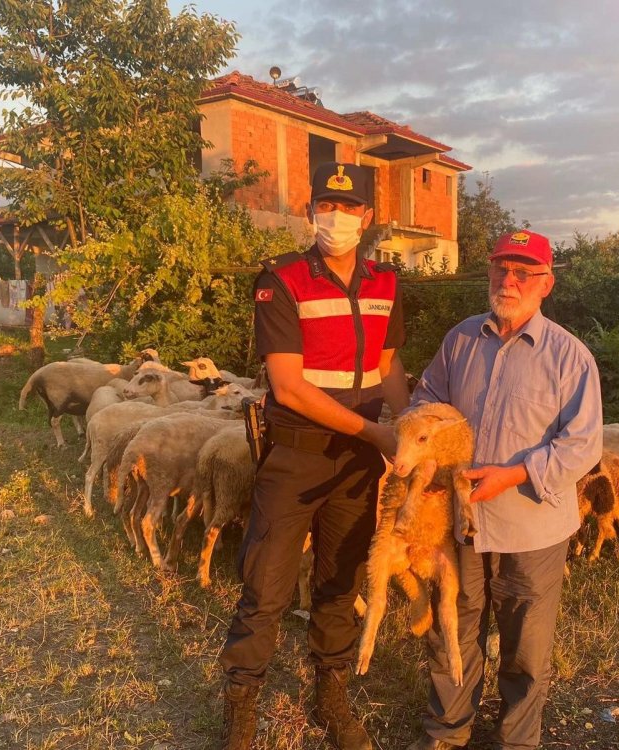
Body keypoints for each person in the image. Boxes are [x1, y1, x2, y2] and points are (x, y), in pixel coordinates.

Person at [218, 162, 408, 750]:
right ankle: (242, 713)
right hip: (297, 457)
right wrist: (377, 435)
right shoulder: (282, 279)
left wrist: (403, 427)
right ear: (310, 212)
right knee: (266, 587)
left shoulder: (387, 281)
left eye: (351, 209)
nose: (339, 218)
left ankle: (331, 698)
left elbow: (388, 364)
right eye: (328, 205)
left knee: (339, 583)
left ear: (368, 217)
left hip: (359, 463)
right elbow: (288, 386)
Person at [406, 230, 603, 750]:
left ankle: (516, 740)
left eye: (523, 272)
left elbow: (582, 446)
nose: (508, 281)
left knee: (526, 647)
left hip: (531, 526)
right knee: (453, 627)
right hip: (461, 520)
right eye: (500, 269)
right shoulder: (461, 340)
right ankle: (447, 732)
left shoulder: (569, 356)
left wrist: (514, 474)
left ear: (547, 284)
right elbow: (425, 400)